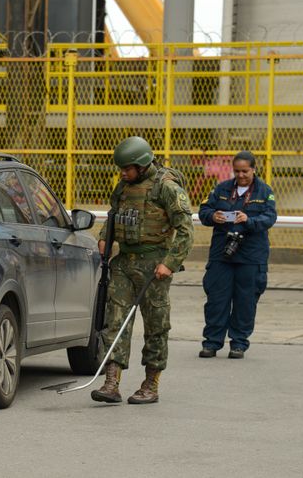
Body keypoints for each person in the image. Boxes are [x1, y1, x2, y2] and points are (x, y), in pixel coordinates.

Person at [91, 136, 194, 405]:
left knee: (156, 325)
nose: (123, 174)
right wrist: (105, 237)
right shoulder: (124, 186)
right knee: (115, 320)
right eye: (121, 169)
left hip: (153, 264)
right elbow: (115, 213)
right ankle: (111, 382)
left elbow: (185, 230)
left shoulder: (167, 188)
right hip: (124, 263)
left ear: (142, 164)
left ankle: (151, 384)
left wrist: (169, 264)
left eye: (127, 169)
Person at [198, 151, 277, 359]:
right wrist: (213, 216)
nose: (241, 175)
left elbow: (270, 217)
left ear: (254, 169)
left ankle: (239, 343)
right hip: (222, 253)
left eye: (245, 171)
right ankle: (212, 342)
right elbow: (204, 210)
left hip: (251, 255)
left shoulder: (264, 191)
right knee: (216, 299)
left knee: (245, 301)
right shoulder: (222, 188)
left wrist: (248, 221)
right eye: (237, 171)